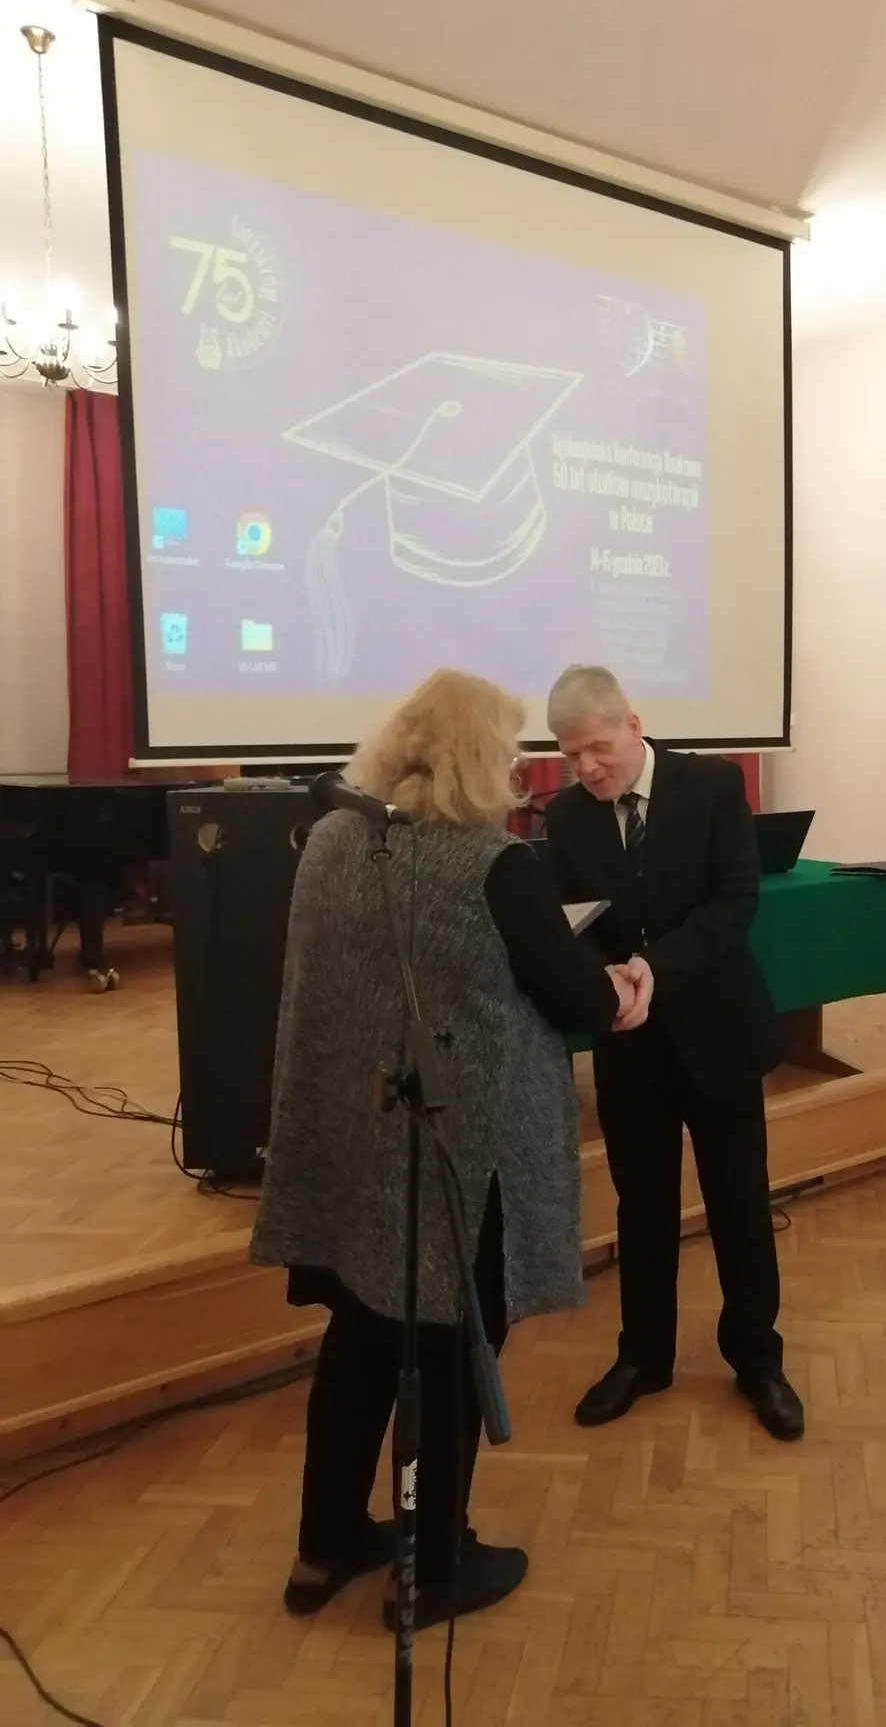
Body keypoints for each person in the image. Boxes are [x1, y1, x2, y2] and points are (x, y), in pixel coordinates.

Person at [250, 669, 651, 1630]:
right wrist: (624, 990)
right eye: (508, 749)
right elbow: (574, 995)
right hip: (454, 1157)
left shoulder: (333, 838)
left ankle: (323, 1547)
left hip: (353, 1148)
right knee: (452, 1350)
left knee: (359, 1337)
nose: (520, 768)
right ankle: (431, 1570)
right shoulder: (494, 866)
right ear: (477, 757)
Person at [542, 666, 804, 1441]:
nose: (587, 767)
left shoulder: (712, 786)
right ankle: (644, 1355)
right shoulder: (567, 815)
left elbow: (735, 901)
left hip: (717, 1030)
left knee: (740, 1206)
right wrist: (603, 976)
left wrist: (657, 967)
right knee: (643, 1209)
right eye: (569, 755)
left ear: (633, 723)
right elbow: (570, 921)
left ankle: (757, 1358)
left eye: (597, 747)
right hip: (631, 1043)